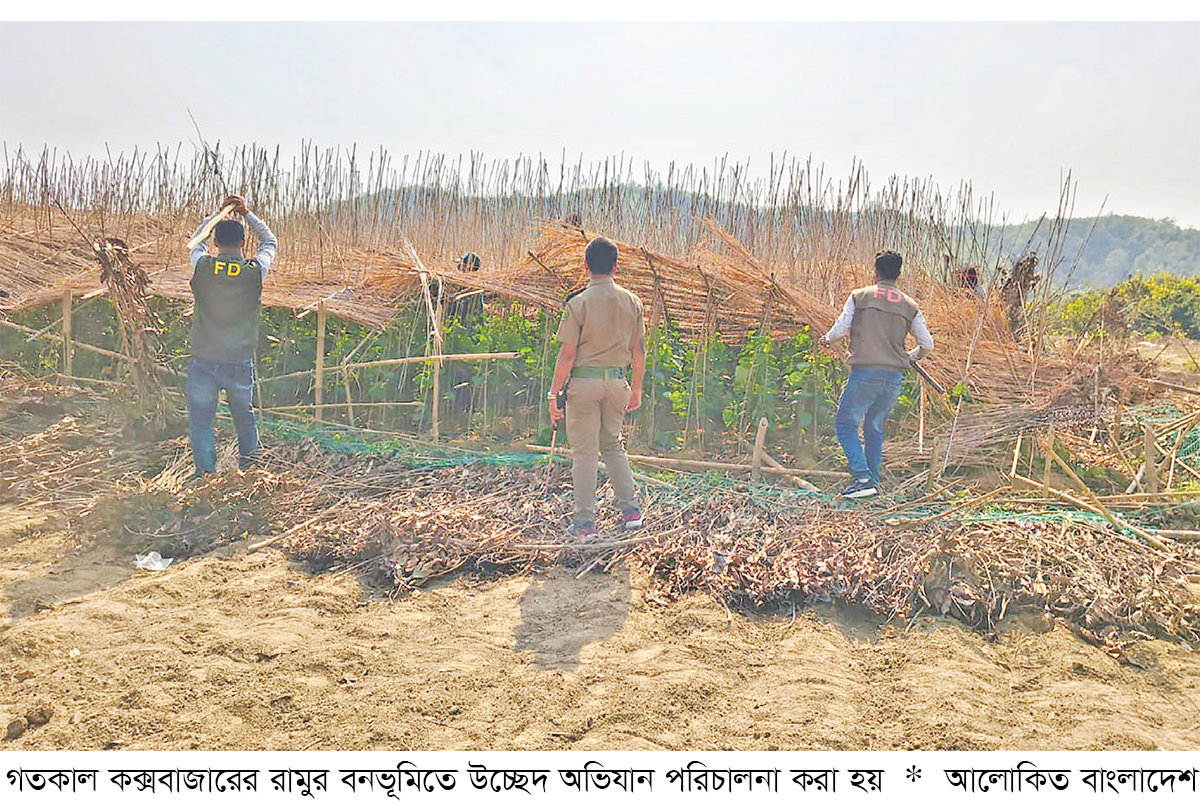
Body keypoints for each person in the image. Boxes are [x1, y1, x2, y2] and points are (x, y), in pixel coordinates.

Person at [547, 236, 646, 538]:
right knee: (613, 445)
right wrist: (637, 389)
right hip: (618, 383)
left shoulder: (578, 304)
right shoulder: (633, 302)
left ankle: (585, 522)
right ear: (616, 266)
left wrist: (553, 393)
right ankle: (631, 512)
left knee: (585, 453)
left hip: (584, 385)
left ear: (586, 266)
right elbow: (639, 350)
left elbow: (567, 354)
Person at [819, 250, 934, 499]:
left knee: (845, 424)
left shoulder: (860, 296)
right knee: (874, 426)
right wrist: (910, 357)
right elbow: (927, 344)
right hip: (893, 378)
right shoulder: (910, 306)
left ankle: (862, 478)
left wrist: (826, 340)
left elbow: (841, 329)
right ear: (899, 275)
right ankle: (872, 480)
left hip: (865, 372)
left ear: (876, 272)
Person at [185, 194, 277, 477]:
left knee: (201, 421)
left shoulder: (202, 265)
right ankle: (249, 472)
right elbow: (270, 242)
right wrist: (246, 213)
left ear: (215, 242)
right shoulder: (254, 271)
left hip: (204, 357)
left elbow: (196, 241)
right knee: (244, 419)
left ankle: (205, 476)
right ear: (242, 244)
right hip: (238, 358)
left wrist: (218, 214)